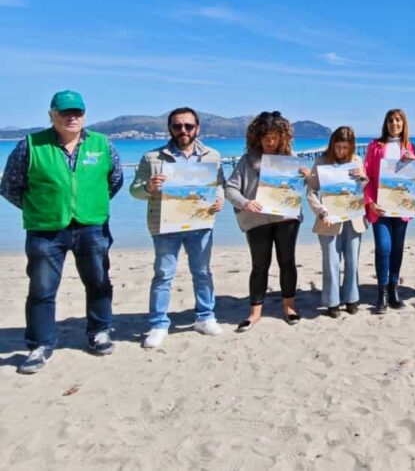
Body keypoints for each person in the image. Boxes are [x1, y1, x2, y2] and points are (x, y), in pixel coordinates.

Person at [1, 90, 123, 374]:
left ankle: (99, 331)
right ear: (51, 115)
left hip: (92, 226)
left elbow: (114, 181)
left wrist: (89, 205)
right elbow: (10, 187)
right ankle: (40, 344)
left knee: (98, 282)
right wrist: (41, 208)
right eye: (65, 112)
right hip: (46, 230)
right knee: (42, 289)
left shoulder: (103, 144)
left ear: (84, 115)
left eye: (77, 112)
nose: (72, 117)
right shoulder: (29, 145)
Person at [130, 107, 226, 348]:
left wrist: (220, 199)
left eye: (188, 126)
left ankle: (205, 317)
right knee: (163, 274)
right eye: (177, 126)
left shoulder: (212, 156)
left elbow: (220, 184)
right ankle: (159, 324)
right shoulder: (152, 158)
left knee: (202, 272)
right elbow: (134, 190)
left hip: (201, 223)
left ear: (197, 128)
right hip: (165, 225)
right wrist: (149, 188)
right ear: (170, 128)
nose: (183, 130)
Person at [225, 111, 309, 331]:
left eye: (274, 138)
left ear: (282, 137)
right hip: (257, 221)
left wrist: (307, 177)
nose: (270, 142)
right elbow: (230, 189)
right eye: (266, 138)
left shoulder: (291, 159)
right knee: (260, 265)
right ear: (257, 137)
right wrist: (245, 202)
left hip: (286, 218)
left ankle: (289, 307)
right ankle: (254, 313)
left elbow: (307, 187)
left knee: (287, 262)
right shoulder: (247, 160)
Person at [306, 126, 367, 318]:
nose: (341, 151)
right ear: (332, 144)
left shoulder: (357, 160)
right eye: (338, 146)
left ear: (351, 147)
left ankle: (351, 298)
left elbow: (364, 188)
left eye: (345, 147)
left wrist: (363, 179)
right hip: (329, 219)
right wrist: (321, 211)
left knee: (352, 261)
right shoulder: (321, 161)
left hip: (354, 218)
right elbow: (311, 191)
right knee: (331, 262)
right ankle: (332, 302)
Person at [363, 109, 415, 313]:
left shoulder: (410, 146)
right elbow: (366, 175)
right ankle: (382, 294)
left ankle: (394, 292)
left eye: (398, 120)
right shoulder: (376, 146)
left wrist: (414, 162)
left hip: (401, 208)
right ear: (386, 123)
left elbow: (413, 179)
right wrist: (369, 202)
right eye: (391, 120)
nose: (394, 123)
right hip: (380, 208)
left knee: (397, 249)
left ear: (403, 124)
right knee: (383, 248)